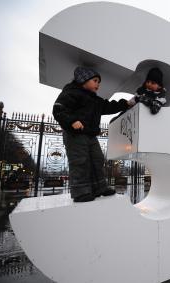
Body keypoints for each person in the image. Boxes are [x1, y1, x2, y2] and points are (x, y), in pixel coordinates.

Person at [53, 66, 134, 202]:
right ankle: (80, 191)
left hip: (90, 135)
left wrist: (126, 104)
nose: (98, 84)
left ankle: (99, 187)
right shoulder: (71, 92)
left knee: (97, 159)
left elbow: (109, 106)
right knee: (80, 161)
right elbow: (58, 109)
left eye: (99, 82)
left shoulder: (95, 100)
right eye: (95, 80)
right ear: (83, 80)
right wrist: (72, 121)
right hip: (75, 134)